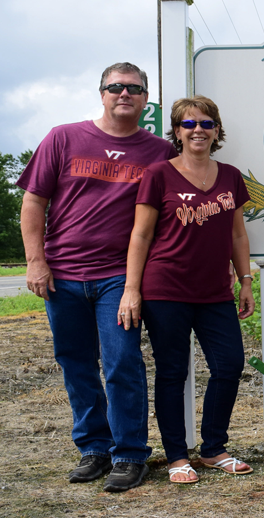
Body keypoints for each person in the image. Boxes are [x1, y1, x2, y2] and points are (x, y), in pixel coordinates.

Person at [16, 63, 177, 492]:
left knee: (123, 361)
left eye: (134, 89)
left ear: (146, 99)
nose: (125, 94)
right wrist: (36, 260)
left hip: (118, 279)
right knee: (76, 363)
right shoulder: (63, 137)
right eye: (116, 87)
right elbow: (34, 203)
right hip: (63, 275)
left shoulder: (160, 152)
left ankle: (128, 454)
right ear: (102, 93)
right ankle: (94, 448)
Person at [118, 95, 255, 484]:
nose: (198, 130)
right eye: (189, 124)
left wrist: (245, 279)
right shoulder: (159, 174)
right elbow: (141, 235)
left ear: (216, 131)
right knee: (173, 372)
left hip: (215, 292)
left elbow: (238, 234)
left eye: (206, 124)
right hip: (166, 289)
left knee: (229, 366)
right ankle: (177, 456)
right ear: (177, 132)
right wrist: (132, 289)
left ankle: (214, 449)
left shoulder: (229, 176)